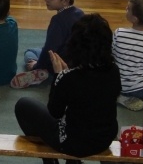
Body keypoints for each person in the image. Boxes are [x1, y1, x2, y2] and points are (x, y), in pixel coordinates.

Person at [15, 14, 120, 159]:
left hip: (72, 144)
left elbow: (54, 112)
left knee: (23, 105)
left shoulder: (68, 77)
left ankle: (49, 160)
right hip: (105, 138)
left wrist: (59, 76)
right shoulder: (114, 70)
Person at [11, 0, 84, 89]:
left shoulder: (58, 21)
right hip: (75, 62)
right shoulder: (80, 13)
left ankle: (43, 72)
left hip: (59, 64)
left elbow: (50, 49)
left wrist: (36, 66)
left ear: (65, 1)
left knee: (29, 52)